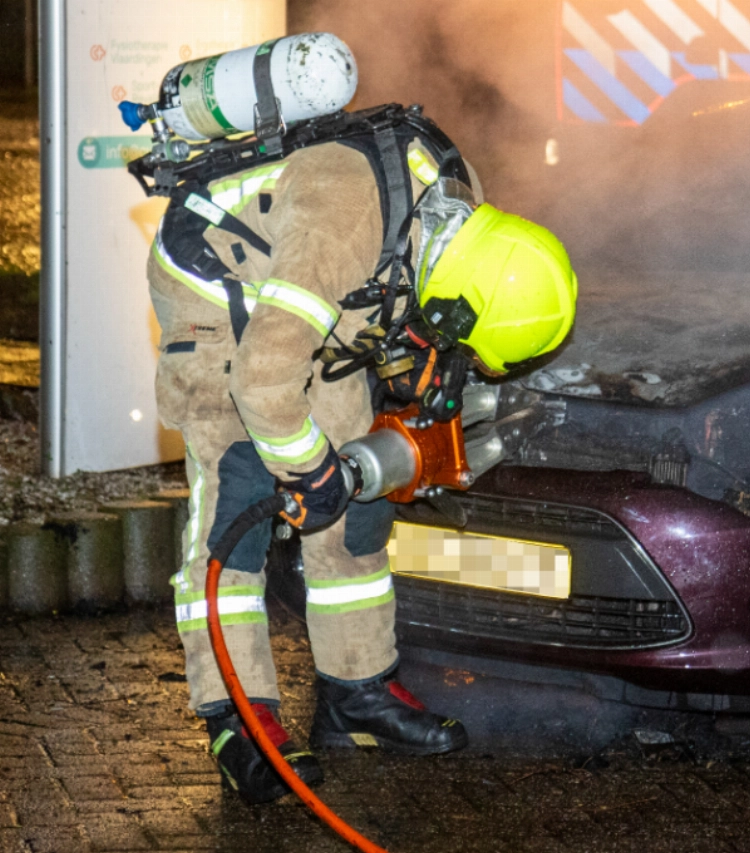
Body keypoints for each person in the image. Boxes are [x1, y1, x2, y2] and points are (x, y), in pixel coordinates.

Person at [147, 120, 577, 804]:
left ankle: (356, 694)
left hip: (317, 296)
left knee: (357, 509)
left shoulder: (463, 205)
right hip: (218, 286)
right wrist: (309, 468)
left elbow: (395, 305)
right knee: (240, 498)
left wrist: (424, 369)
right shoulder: (341, 226)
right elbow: (262, 379)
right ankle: (239, 720)